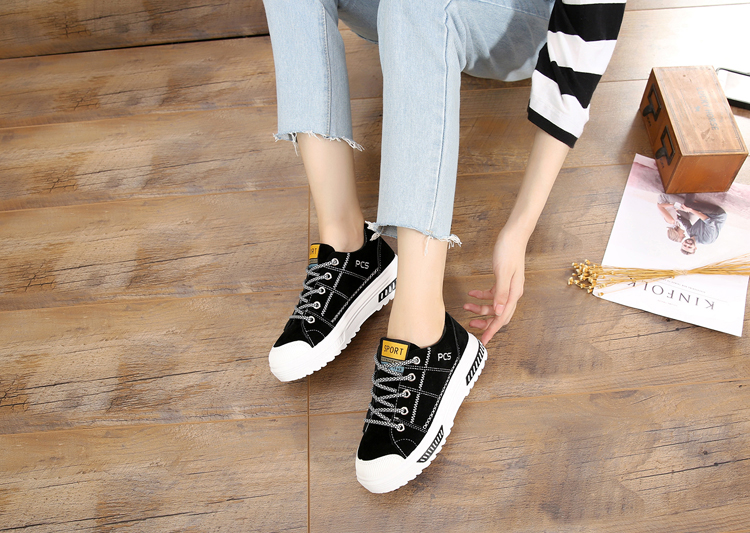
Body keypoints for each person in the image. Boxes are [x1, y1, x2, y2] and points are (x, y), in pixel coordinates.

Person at [262, 0, 625, 493]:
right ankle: (348, 246)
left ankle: (425, 331)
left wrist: (518, 230)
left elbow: (583, 46)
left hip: (515, 23)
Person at [658, 193, 727, 255]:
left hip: (706, 213)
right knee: (688, 205)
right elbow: (710, 221)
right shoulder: (706, 240)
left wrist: (675, 216)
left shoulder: (690, 233)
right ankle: (691, 186)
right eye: (690, 247)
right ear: (695, 248)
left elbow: (685, 221)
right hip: (717, 214)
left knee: (688, 212)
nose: (687, 244)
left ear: (682, 243)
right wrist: (690, 210)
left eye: (685, 245)